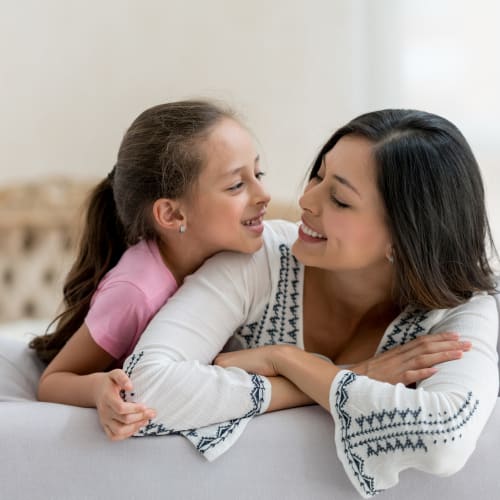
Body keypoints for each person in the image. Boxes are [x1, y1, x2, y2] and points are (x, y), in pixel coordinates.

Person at [121, 109, 498, 497]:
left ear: (404, 236)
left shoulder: (463, 308)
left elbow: (444, 439)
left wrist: (283, 359)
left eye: (338, 199)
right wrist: (357, 374)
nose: (305, 200)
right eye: (318, 175)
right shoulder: (261, 257)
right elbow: (143, 388)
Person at [30, 99, 271, 440]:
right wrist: (99, 388)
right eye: (236, 185)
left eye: (258, 174)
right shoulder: (136, 292)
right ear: (172, 215)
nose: (264, 194)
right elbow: (54, 381)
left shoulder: (234, 259)